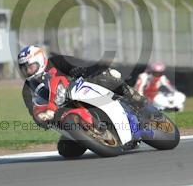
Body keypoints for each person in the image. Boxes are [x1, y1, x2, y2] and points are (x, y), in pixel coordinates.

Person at [18, 45, 150, 128]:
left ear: (40, 60)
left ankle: (132, 96)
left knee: (106, 75)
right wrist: (41, 120)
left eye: (30, 66)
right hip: (64, 111)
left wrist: (79, 70)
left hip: (83, 88)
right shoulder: (27, 89)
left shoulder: (57, 61)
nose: (28, 71)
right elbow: (33, 111)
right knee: (66, 150)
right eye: (25, 69)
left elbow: (83, 64)